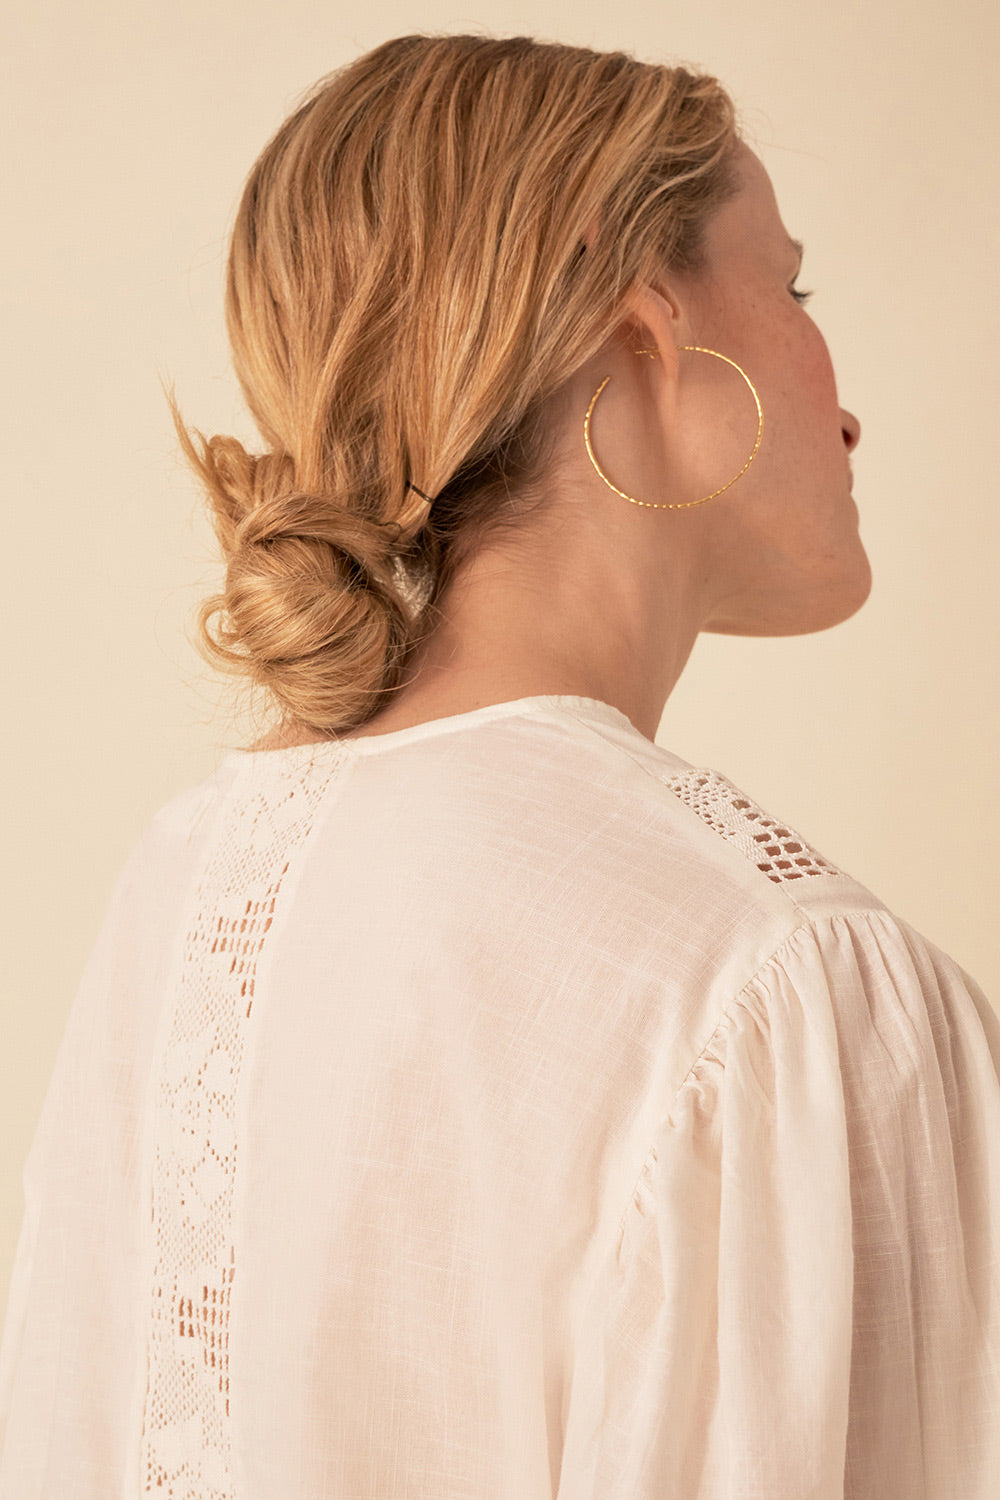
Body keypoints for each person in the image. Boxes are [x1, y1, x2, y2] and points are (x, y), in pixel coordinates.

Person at [1, 31, 998, 1499]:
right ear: (645, 325)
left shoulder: (190, 886)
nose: (844, 400)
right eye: (792, 288)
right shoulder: (777, 978)